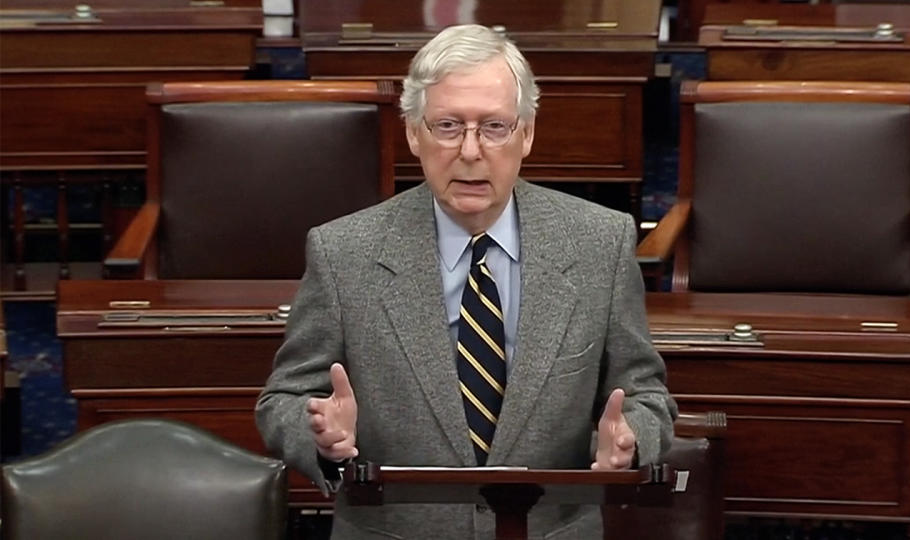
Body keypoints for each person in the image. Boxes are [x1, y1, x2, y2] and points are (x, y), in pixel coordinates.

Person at [256, 23, 677, 539]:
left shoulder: (599, 242)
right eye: (448, 126)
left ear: (527, 133)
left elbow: (645, 393)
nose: (471, 151)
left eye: (494, 127)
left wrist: (634, 438)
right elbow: (284, 399)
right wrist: (318, 434)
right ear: (413, 132)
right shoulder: (344, 252)